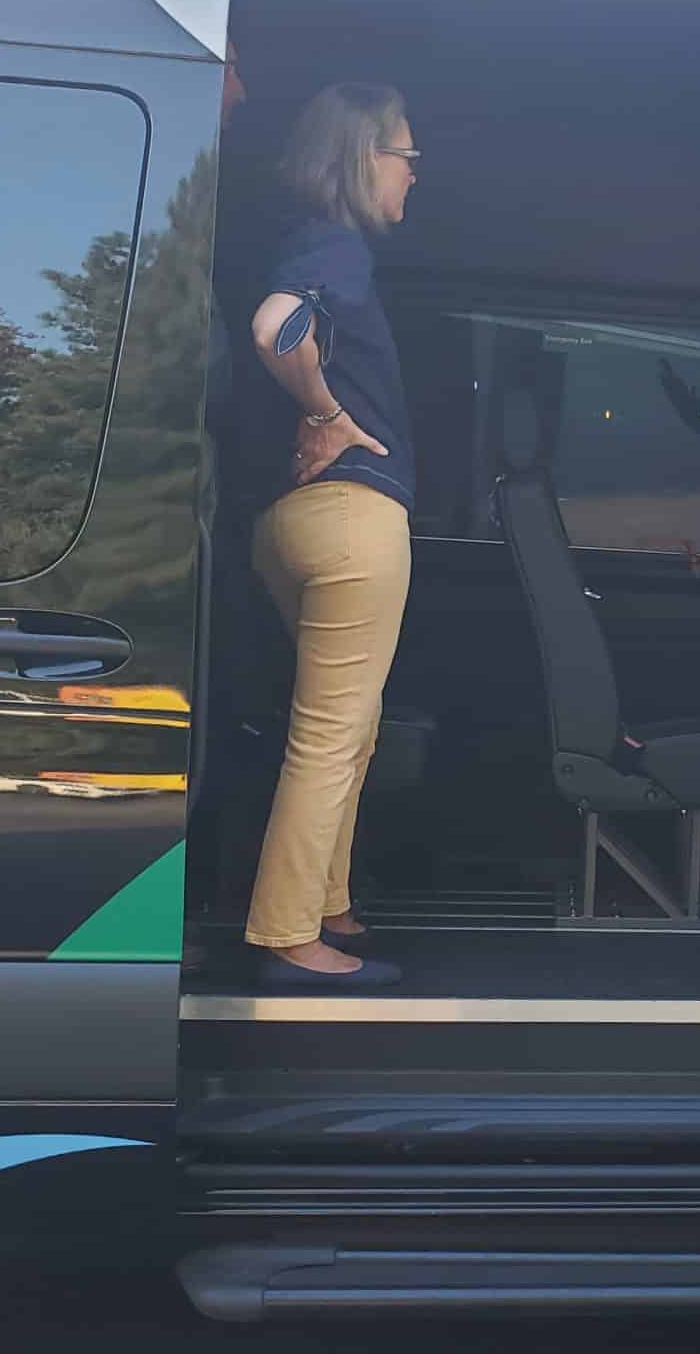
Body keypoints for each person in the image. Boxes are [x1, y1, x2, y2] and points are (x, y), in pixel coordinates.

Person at [223, 82, 422, 987]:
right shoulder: (334, 245)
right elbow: (277, 328)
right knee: (333, 732)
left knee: (354, 724)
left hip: (289, 521)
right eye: (406, 156)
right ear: (363, 157)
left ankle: (330, 905)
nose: (413, 175)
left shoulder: (302, 239)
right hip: (352, 518)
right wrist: (327, 411)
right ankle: (288, 937)